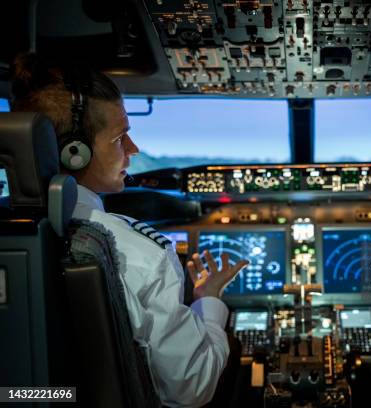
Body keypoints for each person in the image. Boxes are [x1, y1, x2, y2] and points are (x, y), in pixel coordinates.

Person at [9, 53, 248, 407]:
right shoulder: (137, 253)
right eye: (121, 137)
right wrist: (208, 302)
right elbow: (191, 388)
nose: (133, 150)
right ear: (75, 152)